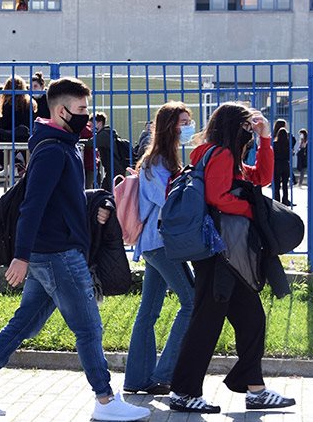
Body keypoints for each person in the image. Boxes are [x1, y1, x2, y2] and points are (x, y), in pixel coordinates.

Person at [0, 77, 150, 422]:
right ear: (61, 111)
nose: (87, 117)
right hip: (57, 253)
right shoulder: (54, 150)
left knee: (23, 324)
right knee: (88, 328)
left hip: (52, 252)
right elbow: (33, 205)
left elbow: (65, 199)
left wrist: (100, 201)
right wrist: (21, 255)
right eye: (82, 110)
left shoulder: (62, 145)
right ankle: (105, 401)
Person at [169, 103, 296, 414]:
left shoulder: (224, 156)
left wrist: (266, 138)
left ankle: (255, 390)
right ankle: (184, 392)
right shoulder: (220, 154)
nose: (249, 134)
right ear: (233, 128)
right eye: (247, 129)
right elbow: (218, 198)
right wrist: (253, 211)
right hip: (218, 253)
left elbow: (262, 177)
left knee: (252, 319)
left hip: (227, 252)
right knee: (206, 322)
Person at [124, 102, 195, 398]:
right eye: (183, 122)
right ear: (169, 126)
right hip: (160, 243)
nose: (188, 126)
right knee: (192, 304)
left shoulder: (163, 159)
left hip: (156, 244)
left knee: (148, 312)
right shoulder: (156, 162)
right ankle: (163, 374)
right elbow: (168, 201)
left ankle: (137, 379)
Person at [94, 112, 130, 190]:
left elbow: (91, 143)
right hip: (113, 169)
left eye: (92, 124)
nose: (91, 128)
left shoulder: (103, 135)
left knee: (113, 193)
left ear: (99, 123)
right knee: (105, 191)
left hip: (114, 169)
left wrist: (77, 141)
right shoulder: (107, 133)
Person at [272, 121, 292, 207]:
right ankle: (285, 199)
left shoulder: (274, 144)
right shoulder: (288, 144)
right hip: (285, 164)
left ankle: (276, 200)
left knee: (276, 184)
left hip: (277, 164)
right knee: (285, 183)